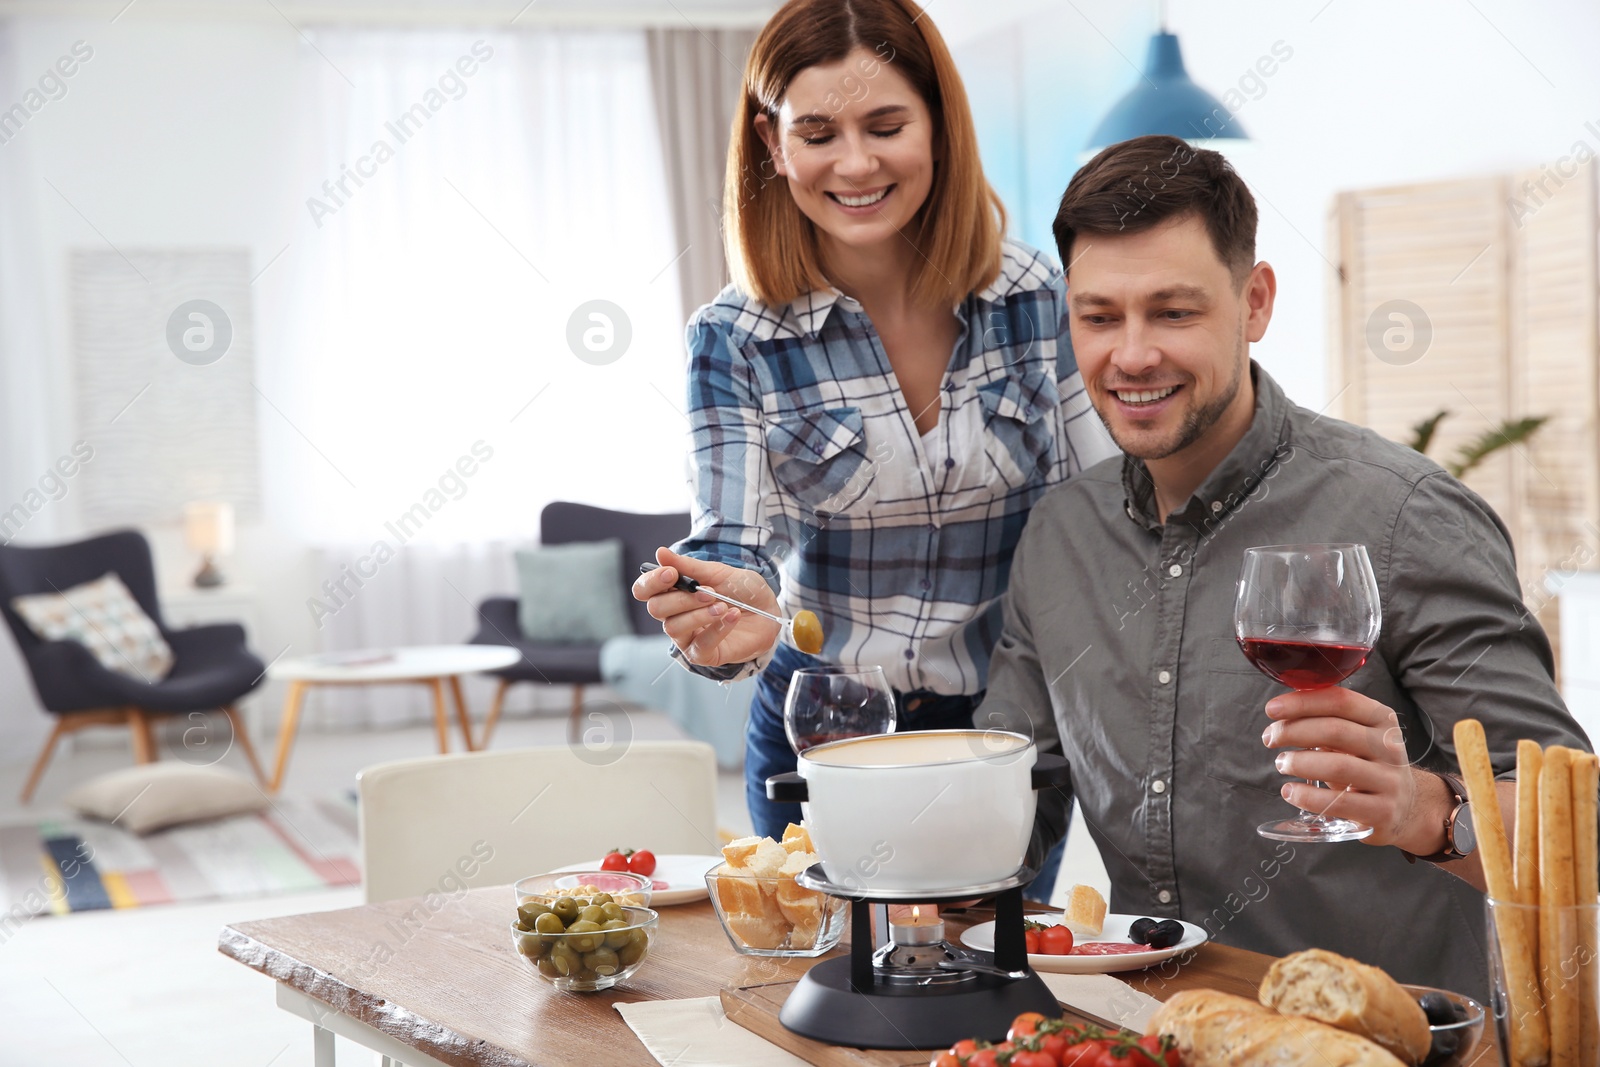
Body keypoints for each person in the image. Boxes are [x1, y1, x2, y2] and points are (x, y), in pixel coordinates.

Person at [981, 133, 1591, 997]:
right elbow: (1010, 804)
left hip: (1376, 1045)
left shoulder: (1405, 515)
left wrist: (1429, 812)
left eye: (1175, 311)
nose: (1133, 354)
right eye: (1100, 315)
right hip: (1145, 1036)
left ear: (1255, 302)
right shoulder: (1058, 538)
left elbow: (1580, 835)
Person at [630, 0, 1117, 856]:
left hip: (1000, 730)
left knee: (997, 982)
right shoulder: (734, 339)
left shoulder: (1038, 298)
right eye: (817, 133)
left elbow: (1105, 511)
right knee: (826, 982)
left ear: (938, 125)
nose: (855, 163)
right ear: (773, 144)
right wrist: (722, 620)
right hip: (824, 731)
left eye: (886, 124)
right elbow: (733, 546)